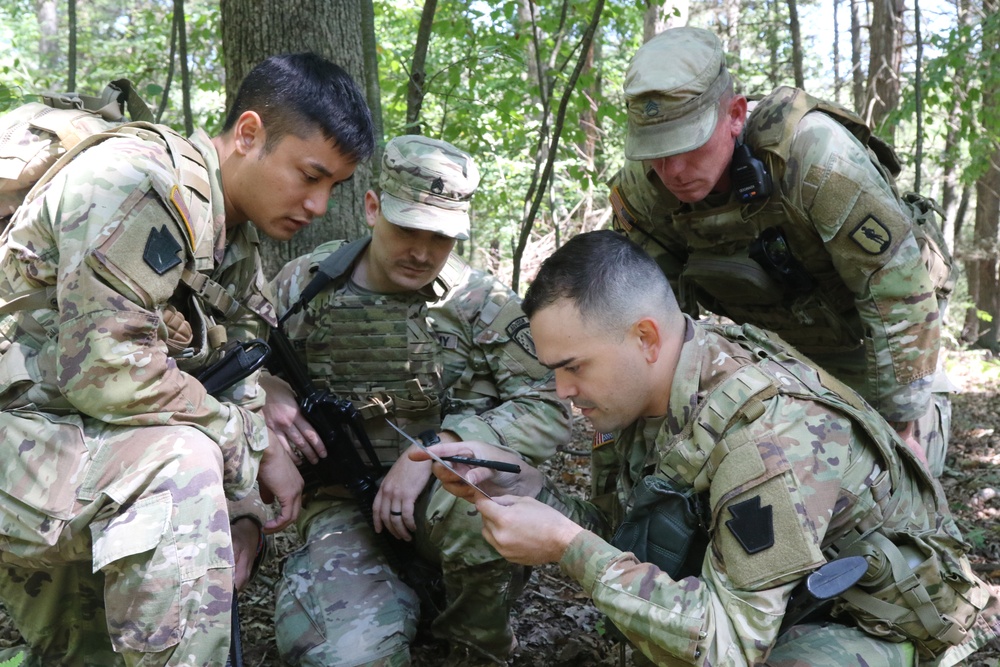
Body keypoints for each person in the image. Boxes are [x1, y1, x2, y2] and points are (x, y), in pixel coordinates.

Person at [414, 230, 999, 667]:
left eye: (573, 368)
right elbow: (630, 541)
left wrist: (566, 548)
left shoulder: (769, 435)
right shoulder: (641, 393)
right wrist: (526, 488)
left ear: (645, 337)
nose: (563, 392)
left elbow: (729, 645)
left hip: (872, 615)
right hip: (777, 596)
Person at [0, 52, 374, 666]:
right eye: (310, 175)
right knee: (182, 463)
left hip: (68, 449)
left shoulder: (228, 234)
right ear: (249, 134)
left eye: (333, 186)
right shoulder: (139, 183)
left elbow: (227, 372)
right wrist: (249, 448)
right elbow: (110, 372)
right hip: (34, 436)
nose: (318, 206)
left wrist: (246, 503)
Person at [263, 135, 572, 667]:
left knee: (481, 506)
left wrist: (438, 447)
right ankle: (388, 596)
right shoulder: (304, 287)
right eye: (407, 228)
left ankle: (479, 648)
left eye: (442, 237)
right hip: (343, 503)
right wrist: (264, 391)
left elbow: (550, 405)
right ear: (372, 207)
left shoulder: (479, 303)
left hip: (448, 498)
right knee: (347, 657)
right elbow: (235, 365)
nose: (422, 251)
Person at [607, 27, 954, 474]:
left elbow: (897, 291)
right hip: (770, 347)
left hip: (872, 337)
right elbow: (650, 313)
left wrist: (902, 426)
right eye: (655, 150)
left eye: (687, 144)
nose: (671, 170)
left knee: (900, 486)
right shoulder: (643, 188)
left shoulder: (814, 157)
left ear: (734, 115)